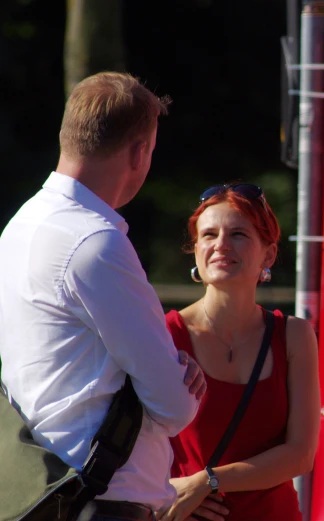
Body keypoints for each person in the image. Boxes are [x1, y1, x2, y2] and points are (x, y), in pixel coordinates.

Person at [0, 72, 206, 521]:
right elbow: (173, 405)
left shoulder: (20, 226)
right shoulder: (96, 243)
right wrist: (185, 383)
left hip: (39, 491)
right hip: (96, 502)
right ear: (139, 152)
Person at [162, 184, 320, 521]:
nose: (220, 245)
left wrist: (207, 482)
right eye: (209, 234)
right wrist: (165, 491)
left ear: (269, 254)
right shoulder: (163, 334)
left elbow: (301, 455)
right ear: (195, 250)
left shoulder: (294, 335)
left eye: (237, 234)